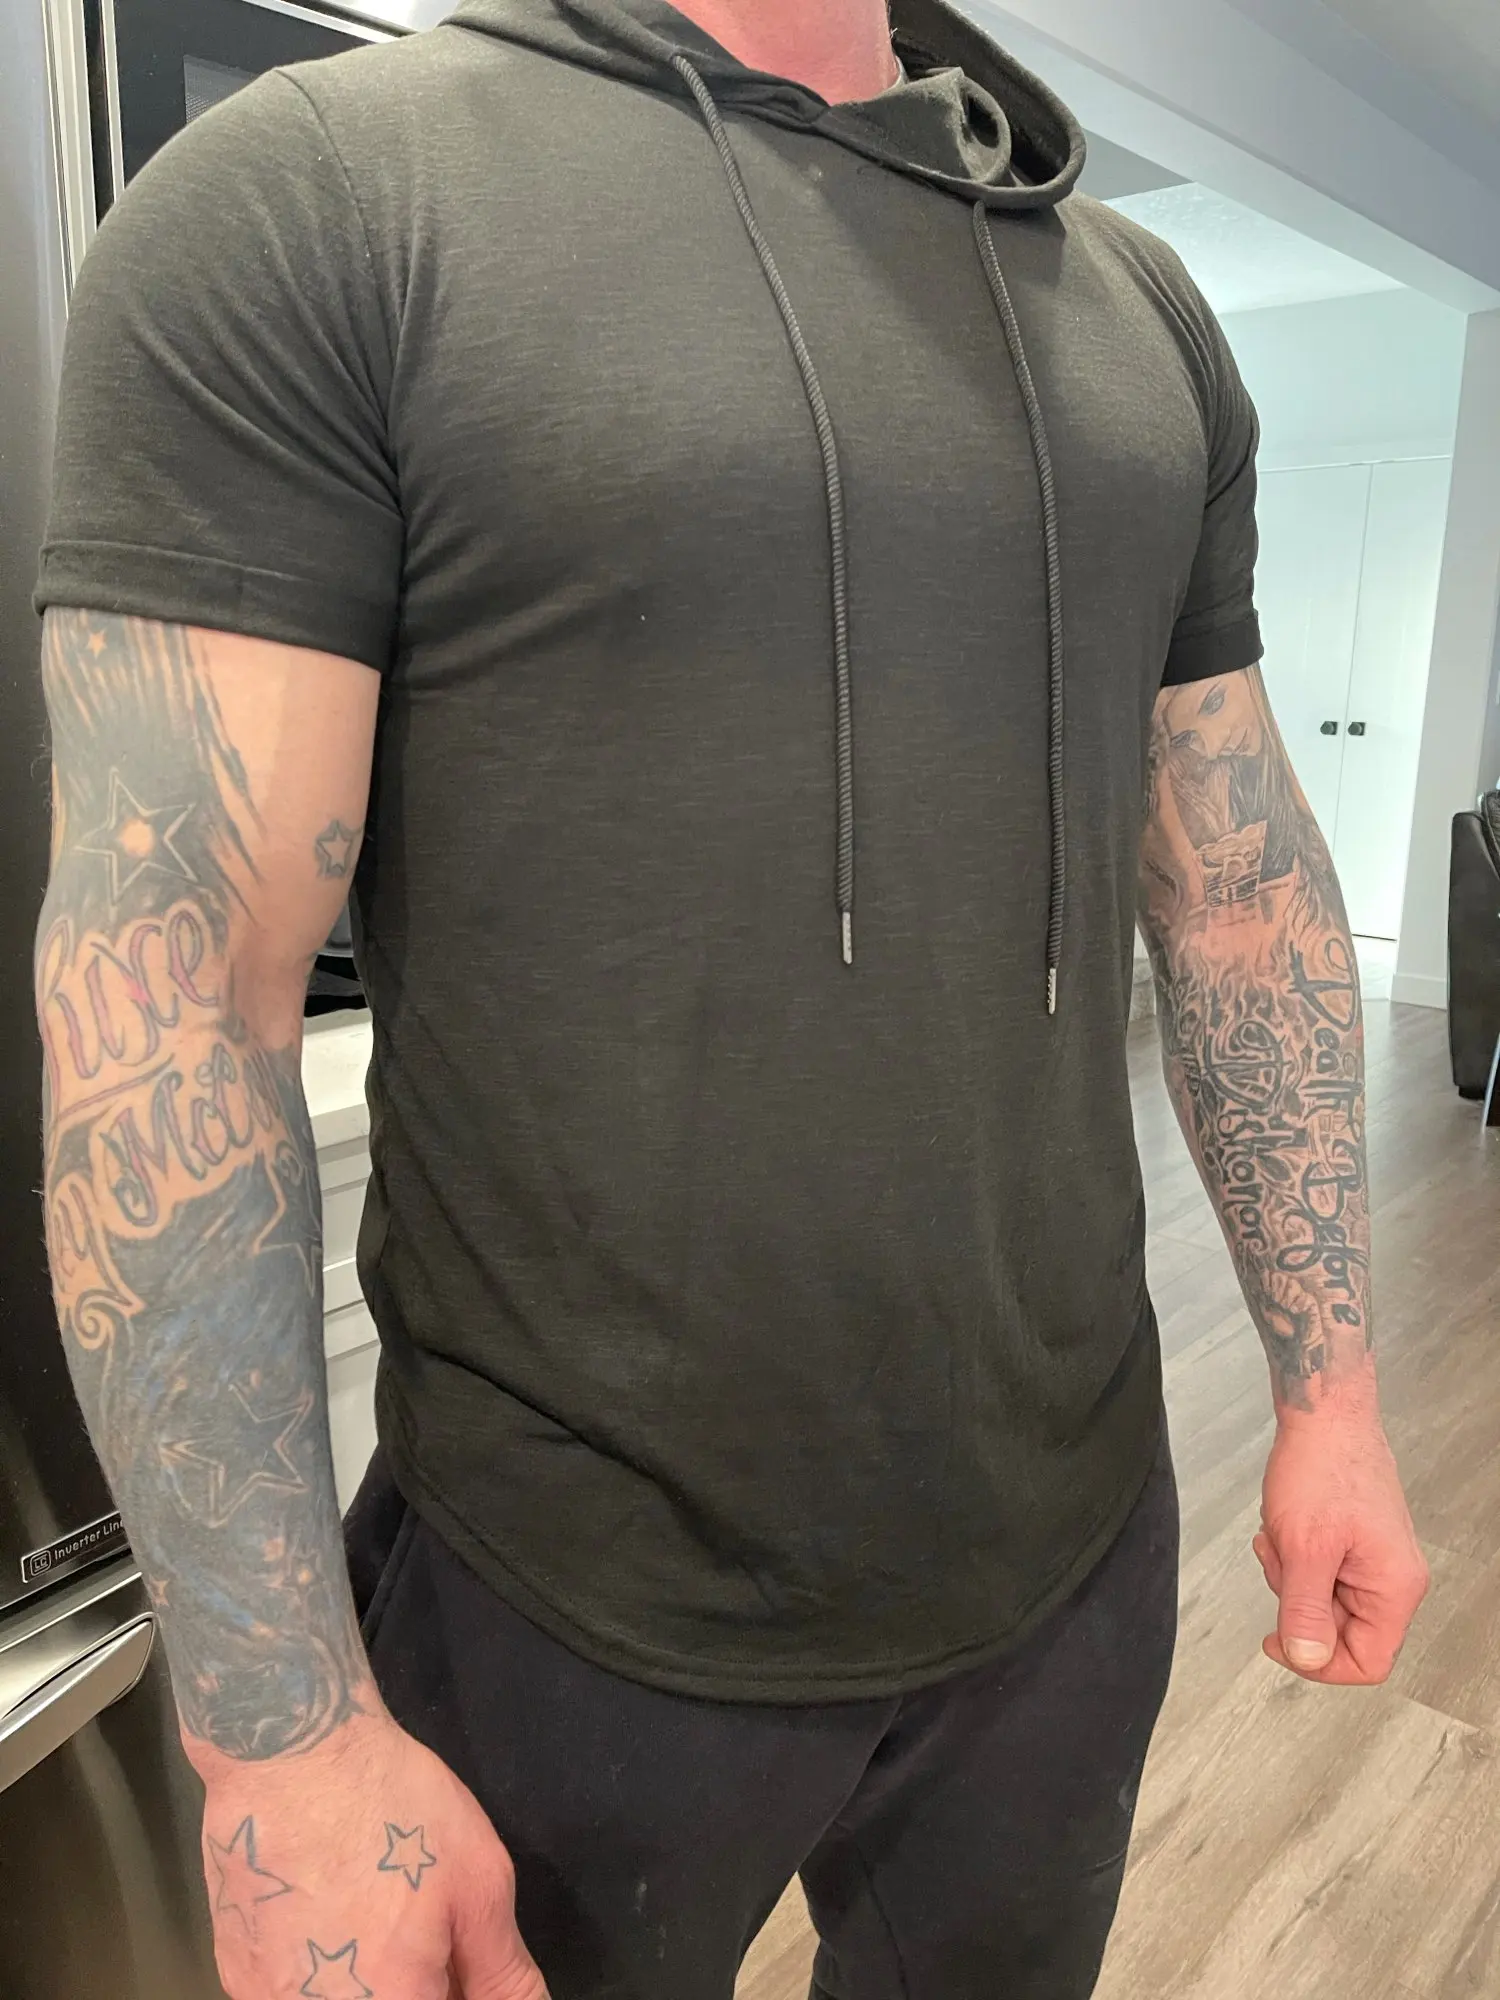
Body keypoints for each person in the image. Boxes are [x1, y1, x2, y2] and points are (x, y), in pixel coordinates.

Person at [33, 0, 1429, 1994]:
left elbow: (1235, 901)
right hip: (559, 1613)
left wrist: (1334, 1396)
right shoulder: (328, 199)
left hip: (1070, 1560)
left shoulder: (1141, 312)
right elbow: (176, 991)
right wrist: (281, 1739)